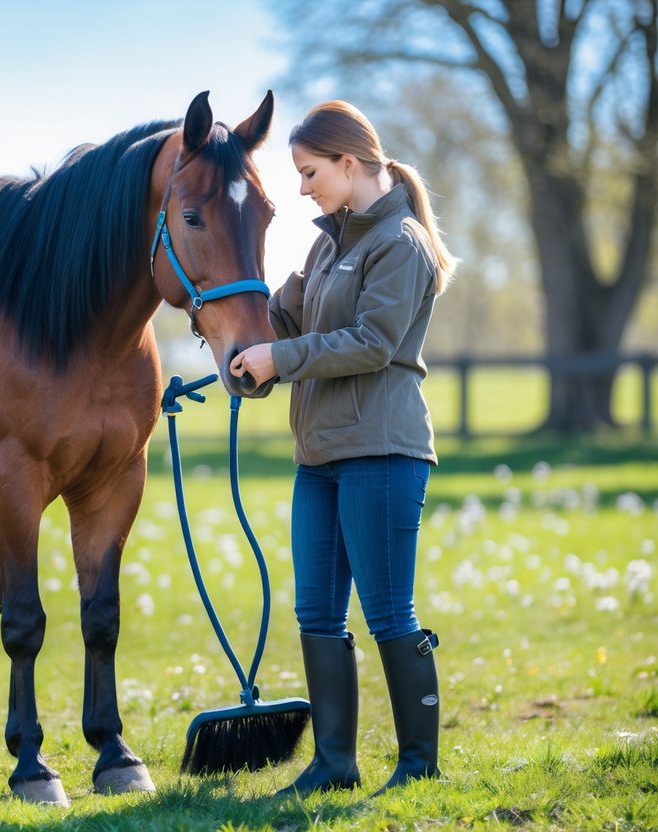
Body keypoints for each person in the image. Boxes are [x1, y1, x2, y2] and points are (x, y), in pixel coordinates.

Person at [229, 100, 457, 797]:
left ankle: (417, 766)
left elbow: (370, 344)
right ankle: (333, 765)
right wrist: (239, 334)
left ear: (348, 163)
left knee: (389, 613)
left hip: (383, 453)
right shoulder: (329, 243)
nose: (302, 188)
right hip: (319, 457)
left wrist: (281, 357)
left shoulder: (401, 243)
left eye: (308, 172)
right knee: (317, 613)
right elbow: (288, 320)